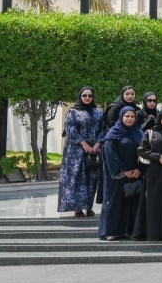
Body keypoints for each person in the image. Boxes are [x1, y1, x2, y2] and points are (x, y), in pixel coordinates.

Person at [99, 106, 143, 241]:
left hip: (135, 174)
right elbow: (110, 154)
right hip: (117, 175)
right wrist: (124, 170)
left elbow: (144, 151)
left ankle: (130, 230)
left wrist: (139, 169)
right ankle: (112, 231)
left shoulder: (138, 133)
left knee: (132, 203)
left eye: (132, 116)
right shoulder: (112, 133)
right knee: (115, 202)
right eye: (127, 116)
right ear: (121, 117)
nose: (130, 119)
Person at [58, 87, 103, 218]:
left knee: (92, 179)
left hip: (94, 151)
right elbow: (70, 129)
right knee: (77, 179)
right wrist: (83, 144)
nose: (87, 98)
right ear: (80, 96)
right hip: (76, 152)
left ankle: (89, 207)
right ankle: (77, 208)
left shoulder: (98, 112)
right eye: (84, 95)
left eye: (90, 95)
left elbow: (103, 129)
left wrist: (97, 144)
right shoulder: (73, 112)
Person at [134, 108, 162, 241]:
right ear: (160, 118)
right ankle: (154, 232)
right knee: (154, 202)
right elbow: (141, 150)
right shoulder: (150, 132)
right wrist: (157, 156)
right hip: (155, 174)